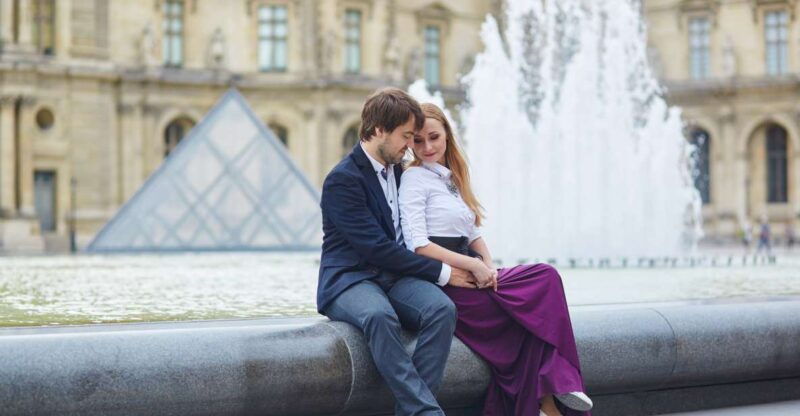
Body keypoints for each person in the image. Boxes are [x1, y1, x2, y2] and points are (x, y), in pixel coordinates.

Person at [399, 103, 592, 416]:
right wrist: (472, 266)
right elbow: (418, 245)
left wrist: (488, 266)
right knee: (531, 309)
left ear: (448, 134)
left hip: (473, 269)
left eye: (434, 137)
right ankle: (557, 387)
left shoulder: (452, 179)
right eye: (418, 142)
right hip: (448, 279)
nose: (427, 147)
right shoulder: (414, 179)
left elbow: (473, 234)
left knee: (546, 279)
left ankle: (553, 392)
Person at [317, 88, 481, 416]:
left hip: (392, 277)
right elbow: (376, 249)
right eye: (406, 136)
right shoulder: (343, 180)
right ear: (379, 130)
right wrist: (446, 272)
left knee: (441, 310)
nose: (411, 145)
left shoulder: (398, 169)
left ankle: (412, 411)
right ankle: (425, 412)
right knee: (380, 316)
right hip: (351, 279)